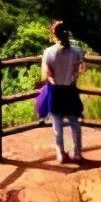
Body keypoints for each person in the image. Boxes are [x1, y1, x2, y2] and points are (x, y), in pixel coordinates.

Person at [41, 20, 85, 163]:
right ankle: (77, 152)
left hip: (56, 91)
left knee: (57, 124)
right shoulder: (77, 51)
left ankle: (60, 153)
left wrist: (53, 80)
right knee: (74, 123)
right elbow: (80, 69)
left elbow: (45, 75)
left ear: (54, 35)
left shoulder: (48, 53)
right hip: (70, 89)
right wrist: (72, 76)